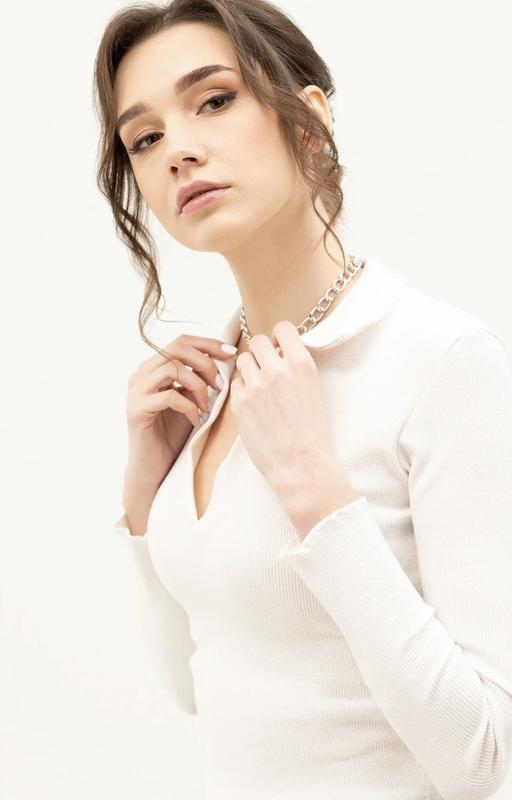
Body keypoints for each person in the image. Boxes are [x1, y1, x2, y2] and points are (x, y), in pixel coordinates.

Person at [93, 1, 512, 798]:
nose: (177, 149)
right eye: (144, 139)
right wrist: (145, 500)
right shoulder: (213, 390)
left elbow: (484, 759)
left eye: (215, 99)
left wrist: (316, 491)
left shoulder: (442, 360)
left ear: (309, 119)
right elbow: (196, 685)